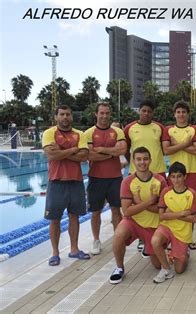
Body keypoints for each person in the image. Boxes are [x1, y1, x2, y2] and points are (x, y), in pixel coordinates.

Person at [109, 147, 167, 284]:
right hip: (133, 222)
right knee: (118, 234)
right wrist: (150, 201)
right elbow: (127, 211)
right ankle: (119, 267)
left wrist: (138, 203)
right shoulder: (127, 182)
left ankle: (148, 246)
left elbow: (162, 210)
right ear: (133, 162)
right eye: (139, 159)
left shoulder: (160, 181)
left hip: (153, 226)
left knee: (157, 266)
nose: (142, 162)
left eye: (145, 159)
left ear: (150, 160)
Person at [42, 105, 90, 266]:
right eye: (62, 114)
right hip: (56, 182)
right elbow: (51, 154)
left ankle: (74, 249)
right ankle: (55, 253)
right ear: (56, 117)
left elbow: (84, 156)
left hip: (75, 181)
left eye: (68, 114)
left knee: (74, 217)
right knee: (54, 219)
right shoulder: (49, 133)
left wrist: (62, 150)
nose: (65, 117)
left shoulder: (79, 134)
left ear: (71, 117)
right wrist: (73, 150)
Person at [85, 103, 127, 255]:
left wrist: (102, 150)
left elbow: (122, 149)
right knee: (95, 211)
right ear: (96, 114)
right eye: (101, 113)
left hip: (115, 178)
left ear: (110, 114)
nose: (104, 116)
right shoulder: (89, 133)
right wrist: (111, 154)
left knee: (116, 210)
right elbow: (89, 154)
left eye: (107, 113)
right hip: (96, 178)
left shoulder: (117, 131)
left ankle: (119, 237)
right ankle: (96, 240)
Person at [151, 162, 196, 283]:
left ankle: (185, 252)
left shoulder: (191, 194)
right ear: (169, 177)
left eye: (179, 176)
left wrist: (171, 213)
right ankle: (166, 269)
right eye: (173, 176)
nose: (176, 180)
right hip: (167, 227)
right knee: (155, 241)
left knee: (179, 269)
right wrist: (181, 213)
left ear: (185, 177)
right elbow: (162, 216)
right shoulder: (166, 192)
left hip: (182, 233)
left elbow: (195, 219)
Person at [162, 100, 196, 194]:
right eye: (178, 112)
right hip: (174, 173)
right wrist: (186, 144)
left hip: (191, 171)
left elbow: (195, 151)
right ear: (174, 114)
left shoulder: (195, 129)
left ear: (188, 114)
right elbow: (166, 150)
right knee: (173, 202)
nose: (181, 114)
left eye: (184, 112)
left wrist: (175, 144)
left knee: (192, 202)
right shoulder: (168, 130)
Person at [124, 100, 166, 178]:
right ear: (139, 111)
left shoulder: (160, 128)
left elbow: (164, 149)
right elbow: (125, 149)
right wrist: (134, 161)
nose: (146, 113)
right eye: (143, 111)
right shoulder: (129, 128)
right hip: (136, 172)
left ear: (153, 113)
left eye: (149, 111)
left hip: (157, 171)